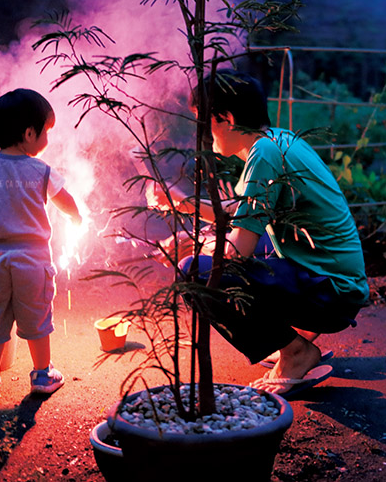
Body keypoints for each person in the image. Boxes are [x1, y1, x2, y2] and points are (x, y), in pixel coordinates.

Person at [147, 71, 369, 396]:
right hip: (340, 284)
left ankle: (296, 351)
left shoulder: (264, 155)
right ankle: (297, 336)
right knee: (243, 238)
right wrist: (183, 204)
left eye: (202, 122)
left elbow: (238, 250)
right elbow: (243, 213)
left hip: (332, 295)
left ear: (226, 118)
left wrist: (194, 245)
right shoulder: (278, 140)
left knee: (195, 272)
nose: (201, 133)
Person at [0, 88, 82, 400]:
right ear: (28, 134)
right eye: (45, 132)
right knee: (37, 318)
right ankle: (42, 375)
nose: (47, 139)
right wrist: (76, 217)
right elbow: (65, 201)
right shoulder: (41, 171)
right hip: (33, 261)